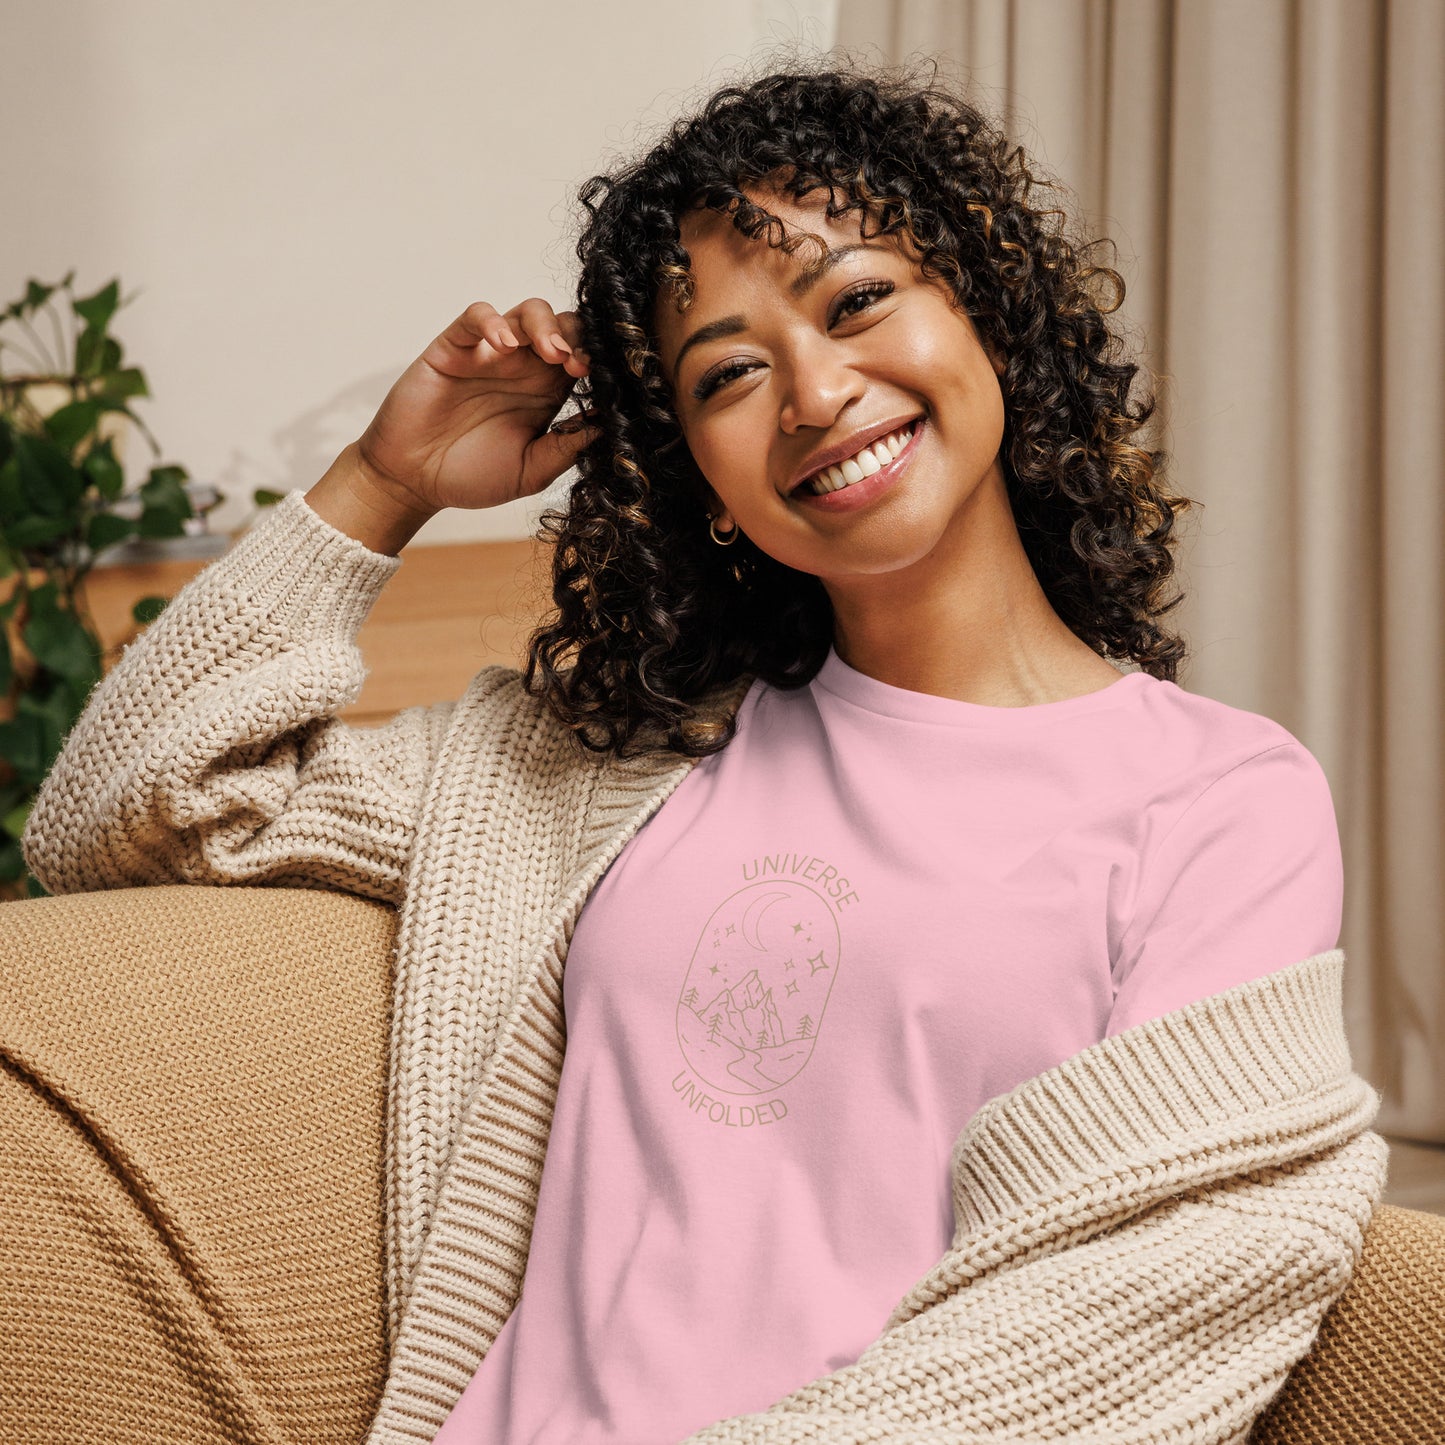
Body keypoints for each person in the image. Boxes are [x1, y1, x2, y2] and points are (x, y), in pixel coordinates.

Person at [13, 56, 1386, 1445]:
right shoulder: (608, 766)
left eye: (858, 300)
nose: (811, 390)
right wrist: (382, 484)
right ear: (702, 479)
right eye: (728, 372)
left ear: (987, 315)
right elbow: (127, 812)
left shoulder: (1216, 799)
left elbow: (1141, 1296)